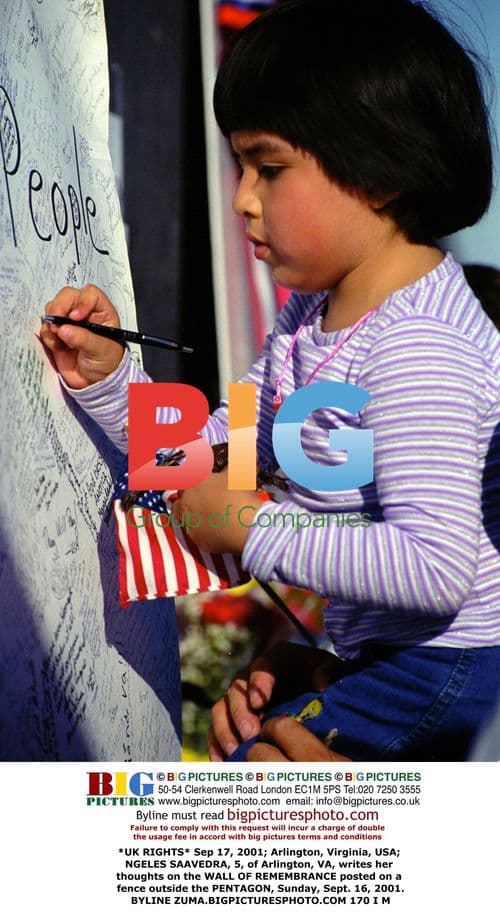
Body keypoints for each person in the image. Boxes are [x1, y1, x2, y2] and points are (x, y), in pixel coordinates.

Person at [41, 0, 500, 762]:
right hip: (392, 661)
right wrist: (112, 379)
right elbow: (210, 457)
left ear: (378, 170)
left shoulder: (419, 343)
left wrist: (257, 529)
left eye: (269, 167)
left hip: (451, 670)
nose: (242, 199)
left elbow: (434, 566)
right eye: (238, 167)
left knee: (251, 792)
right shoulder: (309, 323)